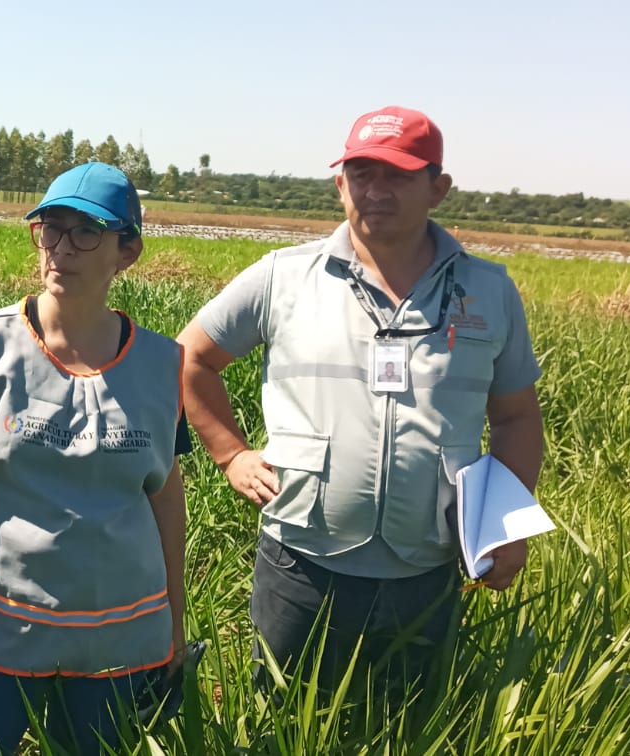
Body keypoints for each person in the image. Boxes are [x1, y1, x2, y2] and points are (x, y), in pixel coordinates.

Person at [177, 106, 545, 696]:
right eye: (361, 173)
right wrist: (230, 454)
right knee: (279, 719)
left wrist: (503, 524)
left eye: (397, 175)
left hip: (426, 567)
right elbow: (189, 359)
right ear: (340, 183)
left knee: (405, 725)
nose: (376, 190)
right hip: (299, 560)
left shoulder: (488, 291)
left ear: (438, 188)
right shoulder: (284, 277)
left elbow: (517, 416)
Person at [0, 162, 191, 755]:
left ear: (128, 252)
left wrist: (175, 617)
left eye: (86, 232)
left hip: (118, 643)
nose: (61, 249)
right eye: (51, 229)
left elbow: (167, 499)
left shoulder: (160, 366)